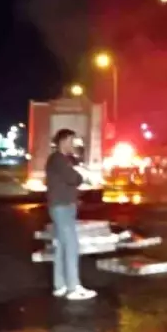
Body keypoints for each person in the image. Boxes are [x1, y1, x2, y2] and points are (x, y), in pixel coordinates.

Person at [45, 128, 96, 301]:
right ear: (63, 142)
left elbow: (73, 171)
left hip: (61, 207)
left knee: (61, 246)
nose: (73, 144)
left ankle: (61, 286)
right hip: (63, 207)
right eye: (71, 141)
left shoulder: (61, 159)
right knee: (72, 246)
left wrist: (77, 158)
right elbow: (73, 178)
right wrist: (82, 177)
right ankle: (74, 288)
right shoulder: (58, 159)